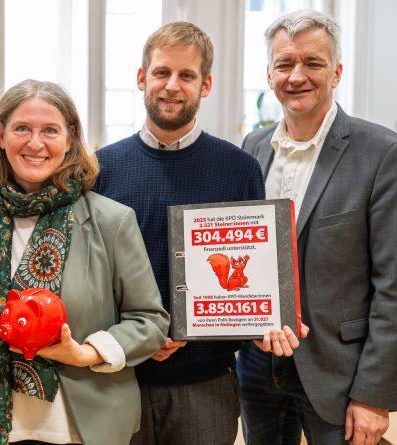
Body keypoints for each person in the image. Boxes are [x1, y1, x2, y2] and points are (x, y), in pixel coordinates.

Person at [94, 22, 306, 445]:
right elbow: (91, 276)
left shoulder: (239, 169)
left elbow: (252, 272)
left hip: (207, 386)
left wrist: (267, 322)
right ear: (142, 78)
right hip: (119, 380)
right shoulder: (101, 169)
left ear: (205, 85)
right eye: (162, 72)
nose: (172, 85)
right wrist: (136, 338)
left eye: (187, 75)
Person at [237, 10, 397, 445]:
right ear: (269, 75)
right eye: (285, 64)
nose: (296, 76)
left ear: (336, 72)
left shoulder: (383, 153)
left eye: (313, 63)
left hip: (343, 374)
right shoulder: (253, 147)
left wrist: (374, 394)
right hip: (260, 365)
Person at [0, 79, 169, 445]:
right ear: (1, 135)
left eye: (50, 131)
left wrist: (87, 353)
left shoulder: (111, 221)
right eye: (22, 128)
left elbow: (150, 320)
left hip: (81, 427)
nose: (35, 143)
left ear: (70, 138)